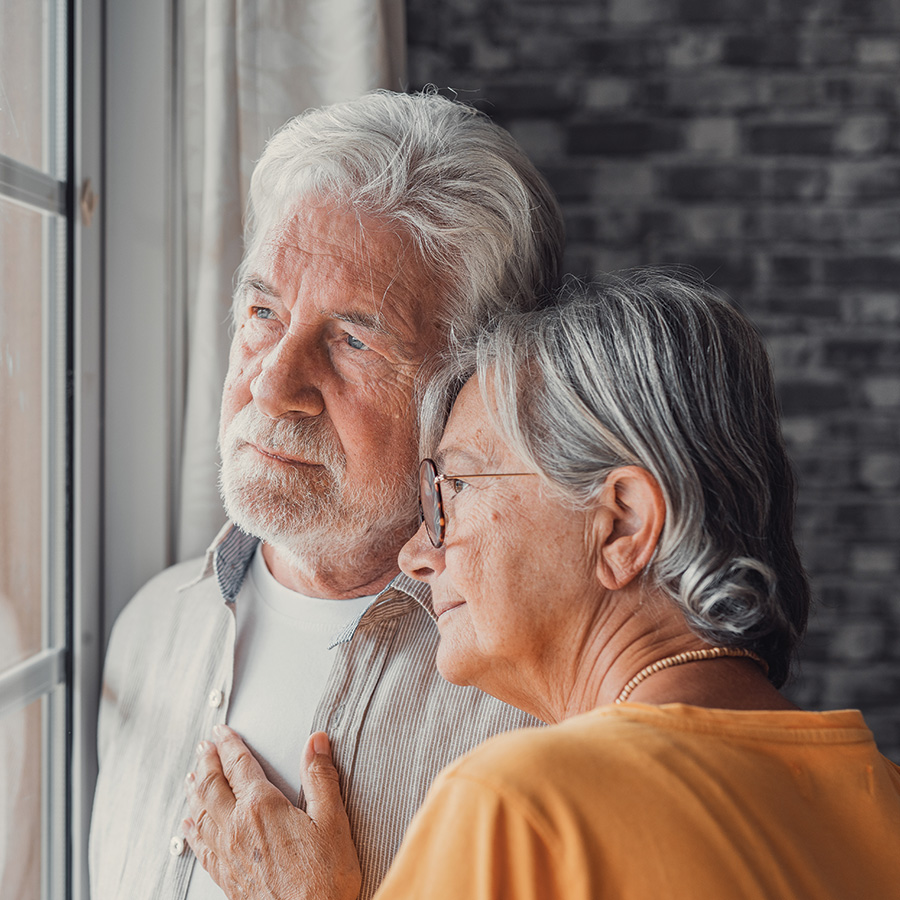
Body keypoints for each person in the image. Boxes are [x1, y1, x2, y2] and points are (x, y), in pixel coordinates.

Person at [186, 270, 900, 899]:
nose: (416, 553)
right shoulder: (883, 799)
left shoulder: (520, 809)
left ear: (622, 524)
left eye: (452, 488)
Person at [89, 89, 565, 900]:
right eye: (262, 311)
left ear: (471, 392)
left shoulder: (543, 715)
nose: (273, 385)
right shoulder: (149, 629)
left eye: (353, 340)